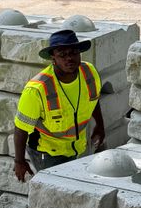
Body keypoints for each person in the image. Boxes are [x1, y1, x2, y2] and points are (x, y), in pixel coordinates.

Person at [13, 29, 106, 181]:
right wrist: (19, 161)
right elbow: (21, 129)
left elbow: (93, 100)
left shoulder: (89, 73)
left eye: (73, 52)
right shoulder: (37, 89)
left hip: (76, 148)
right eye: (62, 54)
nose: (69, 58)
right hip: (47, 153)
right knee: (57, 194)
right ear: (53, 58)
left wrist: (100, 126)